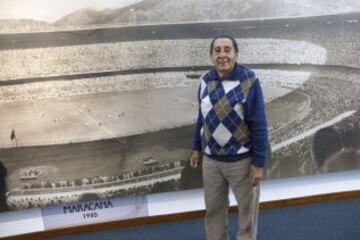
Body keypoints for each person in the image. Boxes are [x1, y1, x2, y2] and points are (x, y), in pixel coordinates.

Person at [190, 35, 268, 240]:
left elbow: (259, 124)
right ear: (211, 56)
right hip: (211, 162)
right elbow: (202, 117)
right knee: (213, 212)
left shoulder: (249, 80)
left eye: (227, 50)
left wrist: (259, 163)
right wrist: (196, 147)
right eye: (217, 50)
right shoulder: (205, 80)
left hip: (241, 161)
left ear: (236, 54)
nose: (222, 55)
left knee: (247, 215)